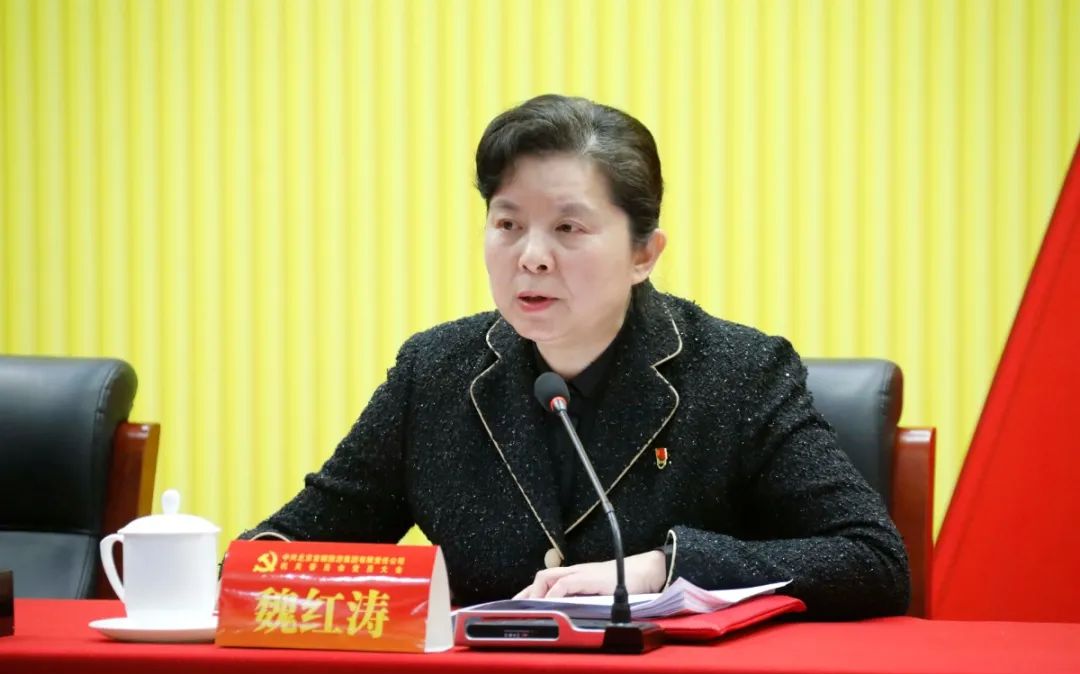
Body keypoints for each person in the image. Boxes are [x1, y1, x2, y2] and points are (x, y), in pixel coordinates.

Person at [242, 94, 910, 619]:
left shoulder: (739, 372)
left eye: (568, 227)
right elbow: (301, 541)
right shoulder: (436, 371)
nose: (531, 256)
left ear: (643, 253)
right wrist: (233, 573)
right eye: (508, 224)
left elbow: (871, 560)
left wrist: (664, 567)